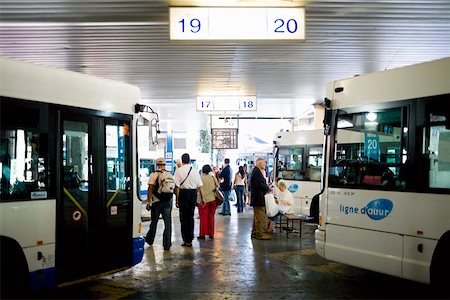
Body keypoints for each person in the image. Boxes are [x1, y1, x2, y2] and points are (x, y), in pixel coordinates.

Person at [174, 153, 205, 247]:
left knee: (183, 218)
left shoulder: (178, 171)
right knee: (190, 217)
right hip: (192, 195)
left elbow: (177, 187)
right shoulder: (195, 171)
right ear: (189, 160)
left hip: (183, 194)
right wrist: (203, 198)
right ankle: (190, 239)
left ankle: (186, 239)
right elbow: (200, 186)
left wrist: (177, 199)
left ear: (182, 160)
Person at [145, 157, 173, 251]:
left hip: (156, 201)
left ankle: (150, 240)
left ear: (156, 164)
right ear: (164, 165)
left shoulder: (154, 174)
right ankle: (167, 245)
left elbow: (150, 188)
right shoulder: (169, 174)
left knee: (154, 222)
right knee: (168, 223)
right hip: (168, 202)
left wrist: (148, 202)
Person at [250, 157, 272, 240]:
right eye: (264, 163)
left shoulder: (256, 171)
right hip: (258, 199)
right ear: (259, 163)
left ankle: (255, 232)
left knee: (257, 217)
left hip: (257, 198)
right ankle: (260, 234)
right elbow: (260, 185)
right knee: (261, 217)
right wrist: (267, 188)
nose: (266, 165)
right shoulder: (257, 172)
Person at [197, 164, 219, 239]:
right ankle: (211, 234)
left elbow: (198, 189)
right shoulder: (212, 177)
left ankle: (202, 234)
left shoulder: (200, 178)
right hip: (212, 199)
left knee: (203, 217)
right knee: (211, 216)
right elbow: (217, 186)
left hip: (203, 200)